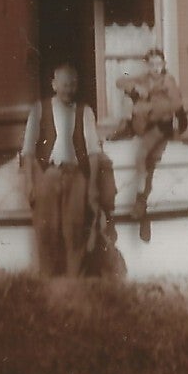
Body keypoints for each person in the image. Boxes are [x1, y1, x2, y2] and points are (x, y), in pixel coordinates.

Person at [20, 63, 119, 277]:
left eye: (73, 85)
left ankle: (75, 286)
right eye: (64, 84)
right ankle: (49, 286)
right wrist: (29, 183)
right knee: (47, 232)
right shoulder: (40, 109)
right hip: (48, 175)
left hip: (76, 176)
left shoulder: (85, 112)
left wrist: (92, 186)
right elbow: (27, 151)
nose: (69, 89)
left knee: (75, 231)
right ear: (54, 84)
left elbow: (93, 152)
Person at [108, 48, 188, 243]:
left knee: (143, 156)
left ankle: (140, 200)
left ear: (163, 65)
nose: (155, 68)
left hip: (160, 126)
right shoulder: (144, 78)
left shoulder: (167, 81)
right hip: (143, 123)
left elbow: (176, 105)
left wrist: (151, 105)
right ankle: (128, 127)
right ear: (147, 65)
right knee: (131, 105)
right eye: (151, 64)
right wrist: (135, 89)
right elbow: (120, 81)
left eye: (158, 64)